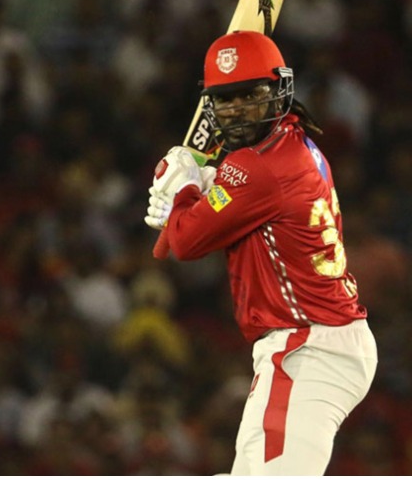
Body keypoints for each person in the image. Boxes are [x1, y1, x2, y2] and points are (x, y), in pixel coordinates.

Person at [143, 30, 377, 475]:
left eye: (250, 94)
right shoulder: (293, 142)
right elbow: (248, 203)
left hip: (306, 346)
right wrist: (198, 189)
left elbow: (187, 242)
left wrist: (183, 189)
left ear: (278, 91)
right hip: (314, 341)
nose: (237, 109)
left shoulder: (255, 166)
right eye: (225, 98)